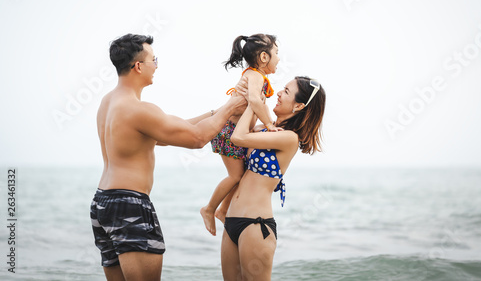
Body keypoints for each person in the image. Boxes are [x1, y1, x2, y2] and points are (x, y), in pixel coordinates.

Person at [89, 33, 247, 281]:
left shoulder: (108, 103)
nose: (157, 65)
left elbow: (165, 135)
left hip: (103, 203)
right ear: (138, 66)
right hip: (130, 204)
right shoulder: (138, 109)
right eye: (154, 59)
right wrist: (232, 106)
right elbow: (196, 138)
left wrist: (217, 112)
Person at [221, 76, 326, 281]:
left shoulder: (289, 138)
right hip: (231, 221)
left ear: (299, 105)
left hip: (255, 225)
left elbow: (238, 138)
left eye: (286, 91)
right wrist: (247, 95)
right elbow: (233, 131)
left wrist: (255, 101)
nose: (278, 93)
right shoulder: (262, 129)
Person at [200, 34, 280, 236]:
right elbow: (254, 100)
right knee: (235, 175)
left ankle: (223, 210)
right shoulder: (254, 76)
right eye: (277, 53)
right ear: (264, 57)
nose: (279, 58)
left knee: (241, 175)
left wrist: (270, 124)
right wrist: (269, 125)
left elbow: (259, 104)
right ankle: (209, 208)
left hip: (235, 131)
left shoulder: (257, 77)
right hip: (228, 132)